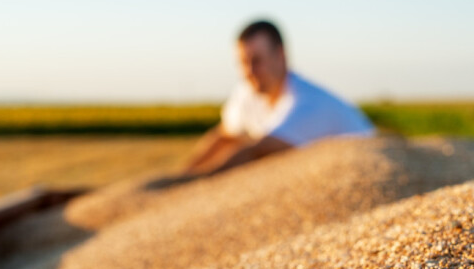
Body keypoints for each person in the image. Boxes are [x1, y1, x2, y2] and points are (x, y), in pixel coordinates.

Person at [146, 20, 374, 189]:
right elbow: (224, 136)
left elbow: (259, 150)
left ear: (281, 56)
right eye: (243, 63)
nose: (249, 72)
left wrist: (196, 184)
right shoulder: (248, 93)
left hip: (367, 173)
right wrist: (183, 176)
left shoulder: (307, 102)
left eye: (257, 61)